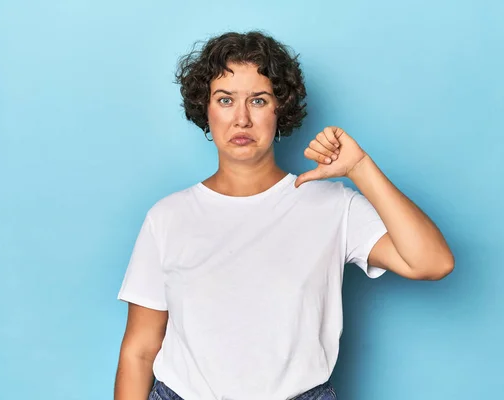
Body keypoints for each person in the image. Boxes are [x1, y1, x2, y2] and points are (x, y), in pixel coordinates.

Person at [114, 31, 454, 400]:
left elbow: (432, 262)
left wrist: (359, 167)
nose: (241, 118)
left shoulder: (333, 206)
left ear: (281, 108)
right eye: (225, 99)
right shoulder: (167, 217)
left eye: (258, 100)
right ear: (206, 108)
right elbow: (140, 350)